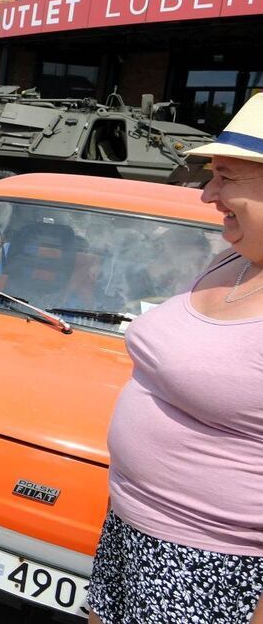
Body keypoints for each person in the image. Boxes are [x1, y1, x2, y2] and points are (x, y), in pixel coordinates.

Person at [86, 94, 263, 624]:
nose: (208, 193)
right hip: (132, 532)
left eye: (226, 177)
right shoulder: (236, 257)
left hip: (208, 570)